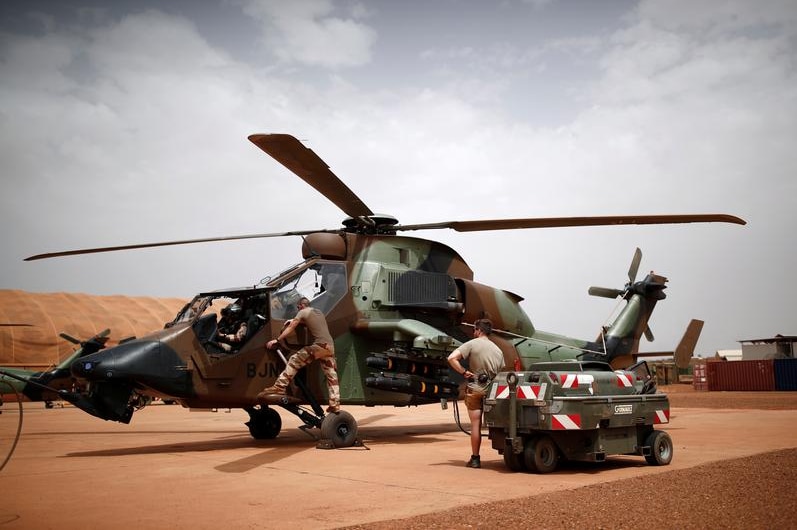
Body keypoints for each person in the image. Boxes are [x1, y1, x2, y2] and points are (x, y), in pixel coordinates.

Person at [257, 297, 340, 413]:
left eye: (297, 308)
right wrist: (294, 319)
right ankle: (335, 403)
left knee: (294, 360)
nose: (297, 310)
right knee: (331, 376)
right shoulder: (319, 312)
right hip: (329, 347)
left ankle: (279, 387)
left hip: (319, 346)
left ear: (301, 306)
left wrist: (277, 339)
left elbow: (292, 327)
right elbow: (310, 321)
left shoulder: (302, 312)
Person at [447, 318, 505, 468]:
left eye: (474, 330)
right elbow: (501, 371)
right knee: (499, 424)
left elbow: (451, 358)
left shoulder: (472, 344)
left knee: (475, 425)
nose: (474, 333)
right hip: (493, 391)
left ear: (479, 330)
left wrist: (464, 372)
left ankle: (475, 459)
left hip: (476, 388)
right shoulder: (498, 350)